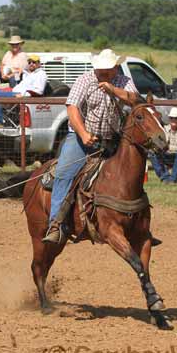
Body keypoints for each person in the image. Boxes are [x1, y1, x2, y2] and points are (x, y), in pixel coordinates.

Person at [43, 49, 140, 244]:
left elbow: (135, 99)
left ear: (115, 68)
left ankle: (139, 224)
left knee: (131, 173)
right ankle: (56, 224)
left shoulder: (122, 81)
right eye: (100, 69)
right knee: (64, 173)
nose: (103, 73)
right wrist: (84, 134)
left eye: (107, 70)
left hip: (112, 139)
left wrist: (114, 90)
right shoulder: (85, 80)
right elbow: (72, 108)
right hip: (81, 139)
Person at [0, 54, 47, 128]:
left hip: (20, 95)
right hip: (15, 93)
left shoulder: (41, 74)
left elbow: (39, 91)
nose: (31, 64)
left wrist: (23, 95)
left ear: (39, 64)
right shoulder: (27, 74)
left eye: (34, 62)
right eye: (29, 62)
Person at [149, 107, 177, 183]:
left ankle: (173, 180)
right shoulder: (165, 128)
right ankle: (164, 177)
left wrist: (169, 147)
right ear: (169, 118)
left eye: (176, 118)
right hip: (168, 155)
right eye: (171, 118)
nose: (173, 120)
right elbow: (160, 142)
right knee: (151, 152)